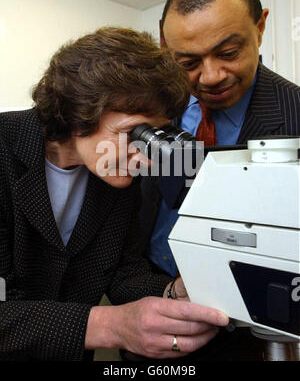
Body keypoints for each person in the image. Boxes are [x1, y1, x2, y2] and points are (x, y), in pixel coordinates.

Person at [0, 27, 230, 361]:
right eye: (133, 132)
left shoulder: (115, 172)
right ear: (78, 112)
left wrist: (173, 292)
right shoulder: (4, 148)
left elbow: (122, 271)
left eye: (154, 134)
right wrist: (111, 325)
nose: (147, 156)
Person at [140, 0, 300, 360]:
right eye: (188, 61)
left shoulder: (295, 113)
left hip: (253, 332)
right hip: (148, 308)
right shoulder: (146, 109)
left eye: (228, 53)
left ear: (260, 26)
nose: (210, 77)